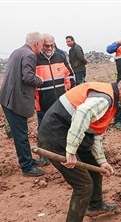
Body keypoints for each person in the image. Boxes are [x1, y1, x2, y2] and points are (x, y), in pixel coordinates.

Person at [37, 74, 121, 222]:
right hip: (55, 136)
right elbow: (82, 112)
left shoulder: (109, 96)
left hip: (67, 131)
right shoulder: (105, 98)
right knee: (83, 185)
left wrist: (101, 162)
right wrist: (70, 151)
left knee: (93, 165)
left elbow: (95, 133)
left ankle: (95, 205)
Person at [0, 32, 46, 177]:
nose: (42, 48)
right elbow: (28, 77)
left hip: (9, 98)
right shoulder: (30, 55)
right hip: (15, 101)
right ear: (36, 43)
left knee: (21, 134)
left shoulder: (17, 51)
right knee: (21, 135)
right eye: (42, 44)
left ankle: (28, 160)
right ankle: (27, 167)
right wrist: (39, 80)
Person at [35, 34, 75, 165]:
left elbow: (69, 75)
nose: (49, 48)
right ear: (41, 44)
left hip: (60, 100)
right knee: (42, 128)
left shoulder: (60, 55)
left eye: (52, 45)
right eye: (46, 45)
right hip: (42, 100)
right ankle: (43, 155)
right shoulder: (35, 58)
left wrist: (69, 92)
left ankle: (64, 152)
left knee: (64, 125)